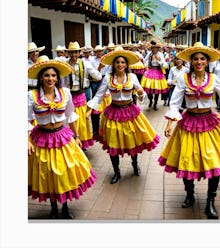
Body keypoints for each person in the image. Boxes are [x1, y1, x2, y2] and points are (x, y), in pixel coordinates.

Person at [158, 42, 220, 219]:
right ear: (191, 61)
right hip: (188, 122)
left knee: (214, 161)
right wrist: (169, 124)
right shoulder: (184, 78)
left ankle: (210, 202)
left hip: (209, 123)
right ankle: (190, 195)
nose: (199, 61)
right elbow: (175, 103)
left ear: (207, 62)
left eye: (202, 59)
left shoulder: (213, 79)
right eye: (196, 59)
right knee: (187, 160)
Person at [28, 55, 97, 219]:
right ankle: (53, 207)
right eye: (46, 75)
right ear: (40, 77)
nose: (50, 78)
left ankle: (65, 206)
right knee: (48, 173)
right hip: (42, 138)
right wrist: (26, 140)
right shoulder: (31, 95)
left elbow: (70, 115)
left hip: (62, 137)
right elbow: (24, 118)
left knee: (64, 172)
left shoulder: (65, 93)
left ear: (58, 77)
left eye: (53, 75)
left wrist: (77, 136)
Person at [86, 46, 160, 184]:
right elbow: (98, 96)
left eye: (123, 62)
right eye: (117, 62)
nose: (120, 65)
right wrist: (90, 109)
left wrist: (141, 93)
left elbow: (141, 91)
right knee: (113, 143)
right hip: (113, 113)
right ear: (113, 64)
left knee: (133, 140)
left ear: (127, 64)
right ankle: (116, 171)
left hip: (130, 112)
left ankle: (134, 163)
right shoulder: (108, 78)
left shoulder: (131, 77)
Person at [64, 41, 102, 150]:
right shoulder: (65, 64)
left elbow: (98, 76)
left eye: (76, 52)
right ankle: (71, 142)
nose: (74, 55)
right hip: (69, 96)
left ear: (79, 52)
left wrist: (91, 78)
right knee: (70, 120)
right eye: (71, 52)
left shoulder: (84, 63)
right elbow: (62, 81)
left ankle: (81, 143)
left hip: (80, 95)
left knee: (81, 121)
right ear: (68, 53)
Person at [141, 41, 168, 110]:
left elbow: (164, 64)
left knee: (157, 89)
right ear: (151, 48)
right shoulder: (149, 54)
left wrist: (159, 61)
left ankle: (155, 103)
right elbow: (144, 61)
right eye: (153, 48)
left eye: (156, 48)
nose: (155, 49)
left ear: (158, 48)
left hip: (158, 72)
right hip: (150, 72)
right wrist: (146, 65)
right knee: (148, 88)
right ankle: (150, 100)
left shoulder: (161, 54)